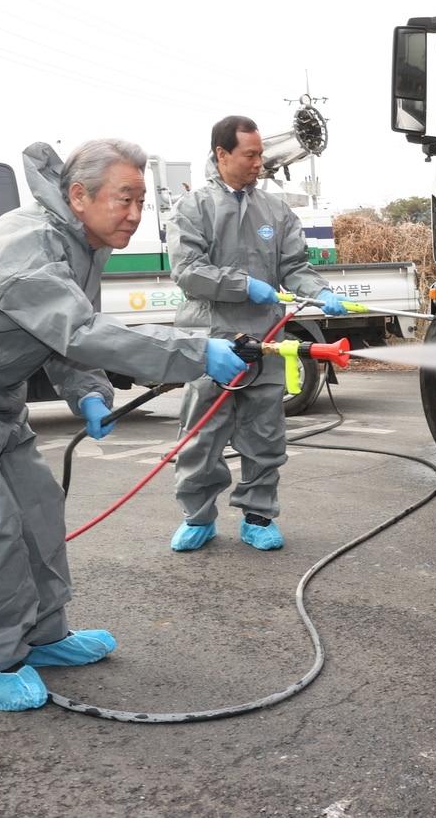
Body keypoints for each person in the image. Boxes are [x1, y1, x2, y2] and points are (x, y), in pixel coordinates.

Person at [0, 139, 250, 712]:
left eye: (143, 201)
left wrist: (87, 391)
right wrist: (198, 351)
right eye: (125, 199)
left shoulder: (80, 242)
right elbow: (79, 331)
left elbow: (65, 335)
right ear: (78, 195)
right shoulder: (30, 243)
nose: (136, 215)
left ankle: (42, 634)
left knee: (38, 508)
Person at [166, 115, 347, 553]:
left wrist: (319, 291)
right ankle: (198, 516)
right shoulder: (193, 209)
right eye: (250, 154)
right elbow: (188, 273)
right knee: (201, 438)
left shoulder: (275, 210)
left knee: (264, 435)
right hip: (211, 342)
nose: (259, 163)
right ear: (221, 154)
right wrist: (245, 285)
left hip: (265, 342)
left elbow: (294, 268)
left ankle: (258, 516)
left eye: (261, 154)